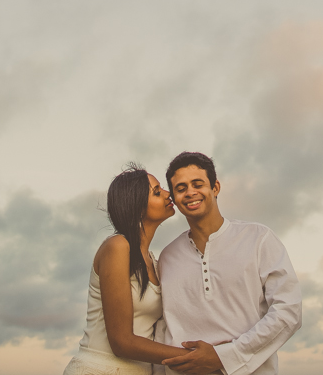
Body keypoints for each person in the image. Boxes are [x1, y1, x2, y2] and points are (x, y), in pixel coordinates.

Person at [158, 152, 302, 375]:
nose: (190, 193)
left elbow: (288, 311)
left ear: (215, 188)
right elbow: (164, 328)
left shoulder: (259, 238)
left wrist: (224, 357)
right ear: (175, 199)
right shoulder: (167, 258)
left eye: (198, 184)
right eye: (181, 188)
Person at [63, 164, 193, 375]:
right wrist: (191, 359)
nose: (168, 193)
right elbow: (121, 342)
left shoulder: (155, 261)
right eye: (157, 192)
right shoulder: (117, 246)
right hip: (98, 369)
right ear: (138, 206)